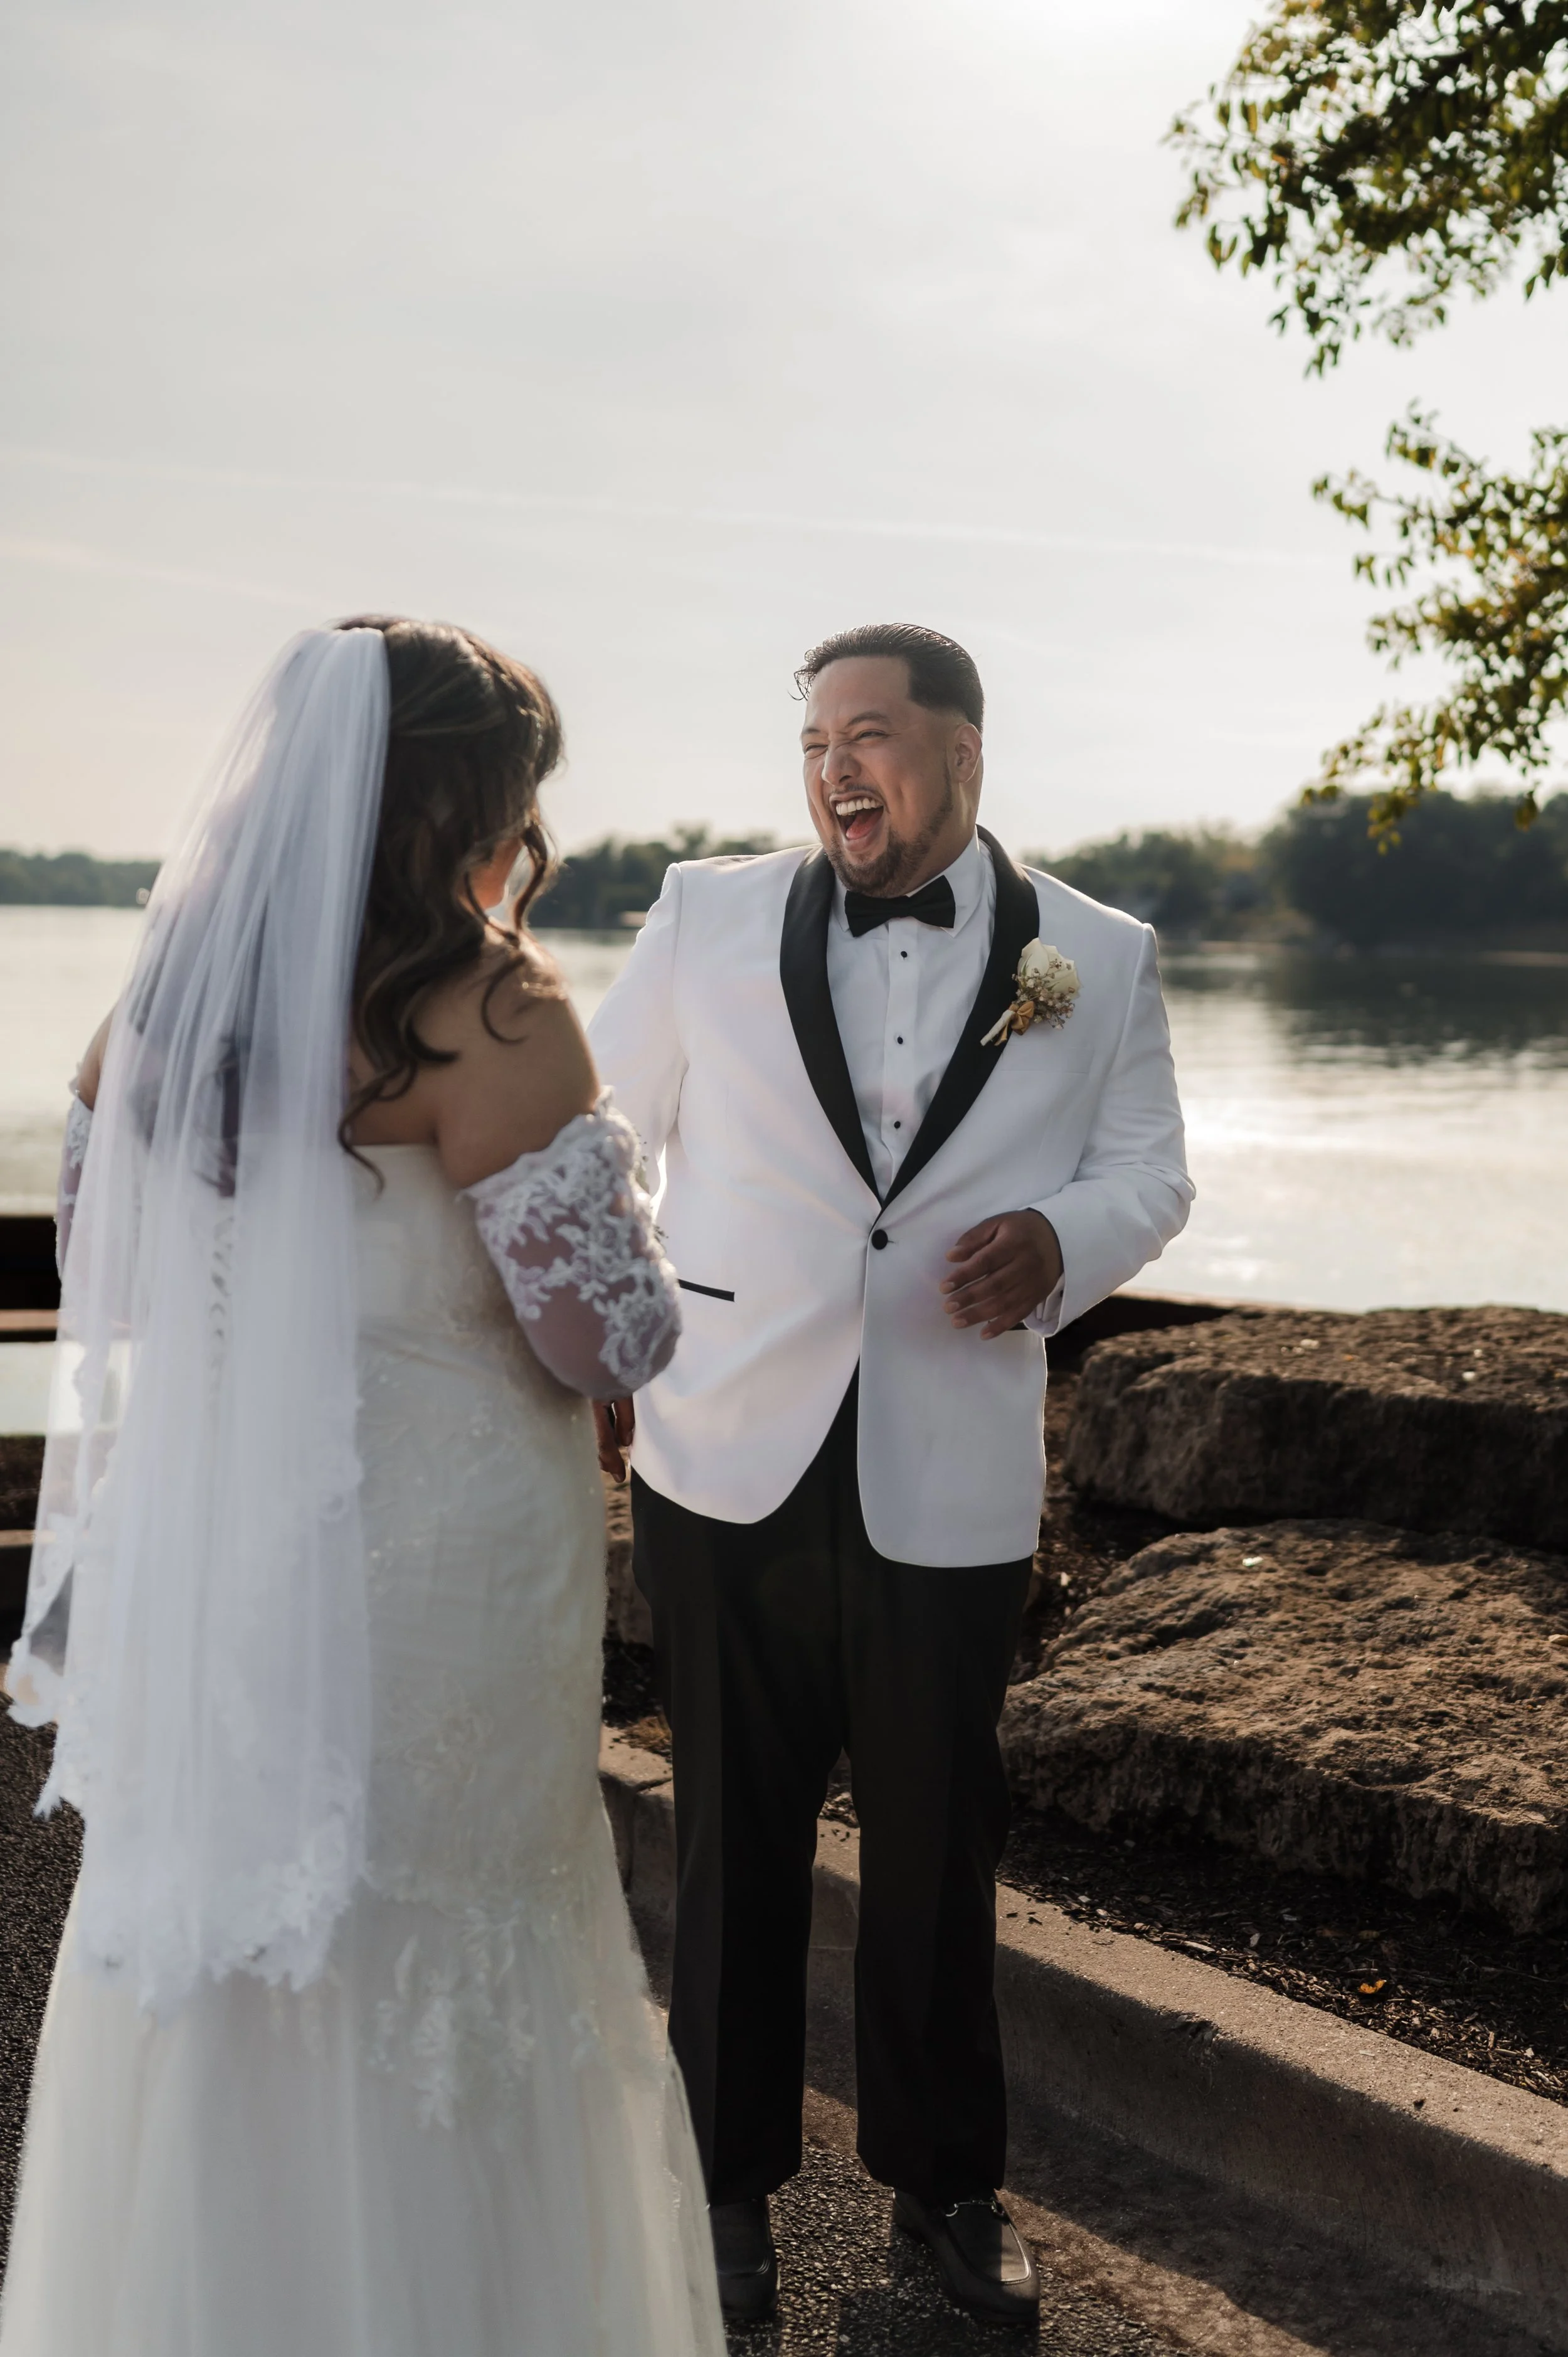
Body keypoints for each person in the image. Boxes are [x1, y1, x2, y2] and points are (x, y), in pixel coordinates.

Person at [1, 619, 724, 2357]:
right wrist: (638, 1222)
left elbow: (111, 1264)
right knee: (450, 1931)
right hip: (440, 1572)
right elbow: (603, 1340)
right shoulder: (489, 1008)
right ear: (465, 802)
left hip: (233, 1559)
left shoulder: (164, 1002)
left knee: (241, 1937)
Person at [588, 622, 1193, 2330]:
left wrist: (1063, 1239)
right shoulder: (704, 914)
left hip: (948, 1466)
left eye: (868, 733)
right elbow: (602, 1128)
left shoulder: (1095, 953)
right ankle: (720, 2195)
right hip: (725, 1448)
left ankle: (944, 2197)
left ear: (961, 749)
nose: (833, 766)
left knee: (935, 1849)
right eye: (812, 741)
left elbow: (1150, 1170)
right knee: (733, 1842)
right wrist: (627, 1320)